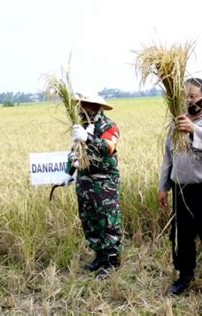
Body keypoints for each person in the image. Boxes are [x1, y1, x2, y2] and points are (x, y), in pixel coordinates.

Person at [157, 78, 202, 307]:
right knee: (183, 237)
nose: (188, 100)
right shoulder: (176, 123)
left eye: (192, 96)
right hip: (182, 190)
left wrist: (194, 130)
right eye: (184, 96)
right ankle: (185, 276)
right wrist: (163, 187)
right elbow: (168, 157)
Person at [62, 93, 123, 279]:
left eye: (84, 105)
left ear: (94, 107)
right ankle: (100, 256)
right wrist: (69, 171)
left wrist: (88, 139)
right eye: (79, 105)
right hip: (85, 182)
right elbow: (75, 151)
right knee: (89, 221)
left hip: (104, 183)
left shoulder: (108, 127)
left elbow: (107, 148)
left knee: (108, 222)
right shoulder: (81, 126)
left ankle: (112, 261)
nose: (80, 109)